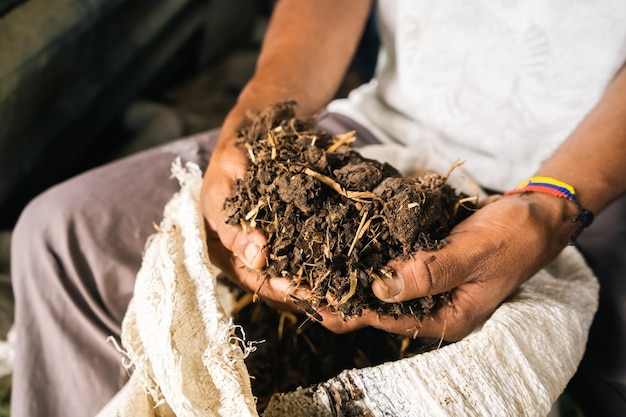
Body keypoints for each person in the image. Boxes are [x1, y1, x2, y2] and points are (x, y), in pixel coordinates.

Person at [10, 1, 626, 416]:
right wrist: (263, 115)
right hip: (378, 126)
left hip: (591, 175)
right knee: (63, 236)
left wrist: (551, 208)